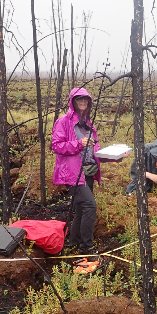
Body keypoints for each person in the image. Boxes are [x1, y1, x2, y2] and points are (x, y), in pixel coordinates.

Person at [53, 87, 102, 273]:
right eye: (79, 99)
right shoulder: (64, 122)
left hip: (88, 170)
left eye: (86, 100)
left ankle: (73, 241)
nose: (83, 102)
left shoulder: (88, 123)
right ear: (73, 101)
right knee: (90, 205)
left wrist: (109, 156)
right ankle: (86, 247)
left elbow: (93, 148)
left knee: (81, 209)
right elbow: (56, 145)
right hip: (72, 173)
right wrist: (78, 144)